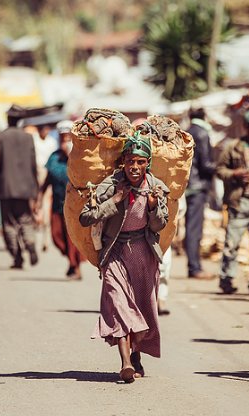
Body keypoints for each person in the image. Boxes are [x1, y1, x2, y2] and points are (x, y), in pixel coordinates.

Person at [79, 132, 169, 383]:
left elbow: (160, 224)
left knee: (141, 307)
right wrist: (116, 199)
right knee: (119, 306)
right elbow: (86, 216)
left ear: (147, 163)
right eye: (130, 161)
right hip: (115, 252)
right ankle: (125, 363)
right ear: (123, 162)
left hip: (143, 253)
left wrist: (152, 207)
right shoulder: (111, 183)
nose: (135, 167)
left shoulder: (156, 186)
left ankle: (136, 355)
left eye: (141, 162)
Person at [216, 109, 249, 295]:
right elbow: (220, 170)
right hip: (239, 202)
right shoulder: (233, 147)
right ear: (246, 127)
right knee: (232, 244)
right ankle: (227, 280)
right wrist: (235, 174)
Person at [0, 107, 39, 269]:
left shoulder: (0, 137)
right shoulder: (28, 138)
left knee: (9, 224)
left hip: (6, 187)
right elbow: (33, 165)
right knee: (25, 220)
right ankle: (30, 243)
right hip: (26, 187)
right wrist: (35, 188)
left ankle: (17, 257)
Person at [38, 120, 83, 279]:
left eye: (68, 138)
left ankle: (74, 266)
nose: (65, 142)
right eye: (63, 138)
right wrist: (39, 199)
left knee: (73, 239)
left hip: (76, 207)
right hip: (58, 204)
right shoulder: (54, 157)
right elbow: (47, 180)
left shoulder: (81, 158)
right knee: (57, 237)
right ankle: (72, 262)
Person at [184, 108, 216, 280]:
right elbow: (206, 164)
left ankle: (193, 265)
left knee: (191, 226)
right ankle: (194, 268)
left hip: (189, 185)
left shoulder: (187, 132)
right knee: (195, 228)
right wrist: (221, 168)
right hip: (198, 186)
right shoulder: (203, 133)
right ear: (204, 116)